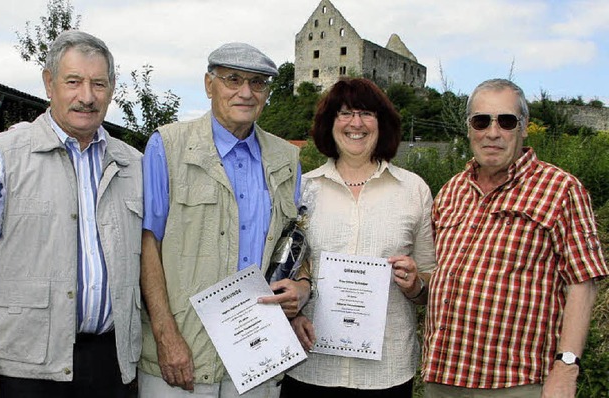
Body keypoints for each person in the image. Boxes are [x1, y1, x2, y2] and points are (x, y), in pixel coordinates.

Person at [0, 30, 143, 398]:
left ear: (111, 89)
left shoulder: (134, 165)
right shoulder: (2, 158)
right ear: (49, 84)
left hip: (112, 363)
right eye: (74, 82)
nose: (87, 96)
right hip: (25, 368)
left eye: (98, 84)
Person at [138, 42, 310, 398]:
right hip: (183, 354)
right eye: (233, 79)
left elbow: (296, 240)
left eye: (258, 83)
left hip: (258, 352)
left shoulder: (287, 158)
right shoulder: (167, 147)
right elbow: (146, 245)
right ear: (208, 84)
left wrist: (303, 287)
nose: (245, 92)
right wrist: (165, 334)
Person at [423, 78, 608, 398]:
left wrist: (566, 368)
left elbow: (583, 282)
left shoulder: (561, 189)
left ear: (523, 128)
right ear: (468, 128)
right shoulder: (451, 190)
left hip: (517, 383)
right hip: (443, 378)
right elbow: (440, 274)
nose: (492, 132)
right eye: (481, 121)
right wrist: (416, 282)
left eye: (506, 121)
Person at [282, 77, 437, 398]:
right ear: (330, 124)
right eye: (345, 113)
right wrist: (292, 312)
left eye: (367, 114)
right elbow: (288, 267)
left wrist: (415, 284)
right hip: (311, 365)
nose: (356, 123)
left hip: (386, 370)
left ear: (383, 124)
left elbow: (430, 282)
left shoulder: (413, 190)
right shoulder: (303, 189)